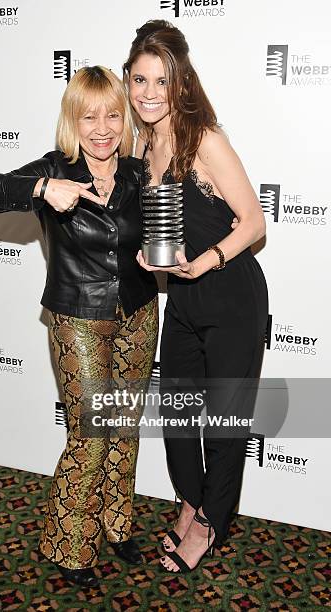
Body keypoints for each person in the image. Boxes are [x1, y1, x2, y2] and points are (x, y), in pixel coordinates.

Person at [0, 66, 158, 587]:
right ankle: (68, 546)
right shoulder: (56, 168)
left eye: (113, 115)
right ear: (72, 120)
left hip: (139, 313)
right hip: (78, 317)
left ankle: (116, 524)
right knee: (91, 434)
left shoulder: (139, 173)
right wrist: (44, 187)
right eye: (88, 115)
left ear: (125, 119)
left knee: (124, 428)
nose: (102, 127)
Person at [123, 20, 268, 574]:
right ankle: (189, 501)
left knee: (224, 423)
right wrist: (147, 255)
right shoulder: (144, 142)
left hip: (231, 297)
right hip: (183, 301)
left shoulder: (203, 136)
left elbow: (253, 221)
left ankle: (211, 522)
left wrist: (204, 260)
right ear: (129, 82)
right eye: (140, 80)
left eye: (161, 80)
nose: (150, 93)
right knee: (180, 415)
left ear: (180, 83)